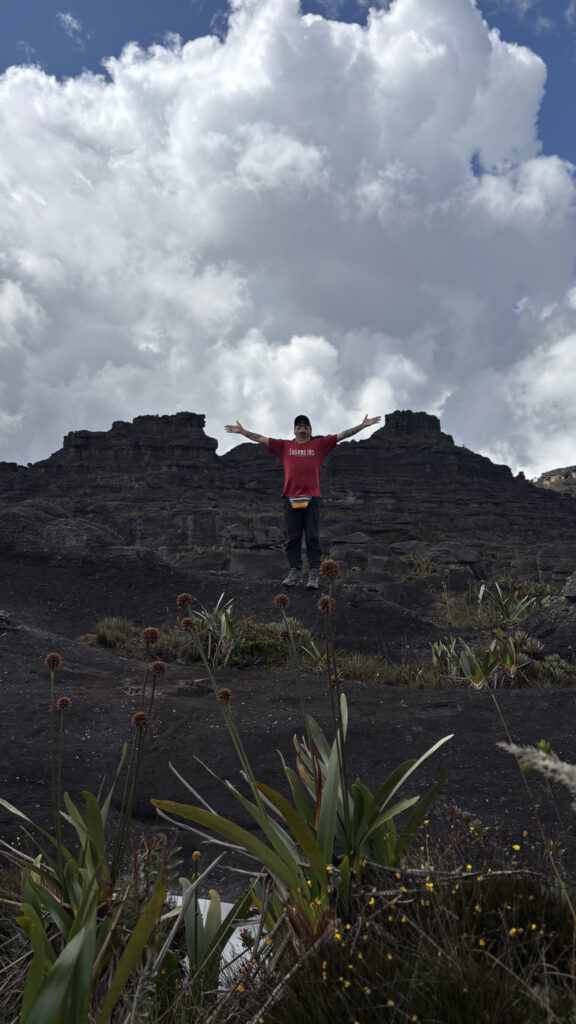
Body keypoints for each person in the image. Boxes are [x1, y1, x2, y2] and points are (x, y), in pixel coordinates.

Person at [224, 413, 381, 588]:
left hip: (311, 498)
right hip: (290, 498)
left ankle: (314, 572)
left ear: (310, 430)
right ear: (294, 430)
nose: (302, 427)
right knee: (293, 537)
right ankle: (295, 572)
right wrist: (243, 431)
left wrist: (362, 426)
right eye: (298, 425)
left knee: (312, 536)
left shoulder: (319, 445)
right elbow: (261, 439)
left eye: (306, 425)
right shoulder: (285, 446)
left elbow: (342, 435)